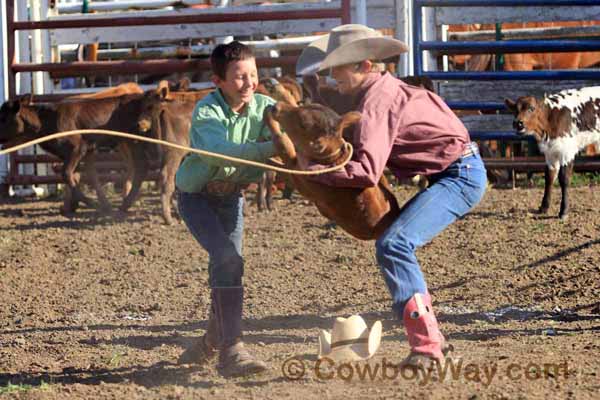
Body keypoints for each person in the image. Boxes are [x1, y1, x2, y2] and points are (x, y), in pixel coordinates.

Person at [295, 24, 488, 367]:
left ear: (364, 66)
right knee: (393, 242)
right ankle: (431, 339)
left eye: (337, 69)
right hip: (459, 169)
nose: (331, 76)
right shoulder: (383, 92)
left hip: (460, 175)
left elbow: (367, 171)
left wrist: (317, 174)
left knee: (394, 244)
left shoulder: (376, 104)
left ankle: (428, 347)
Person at [175, 41, 277, 377]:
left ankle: (210, 343)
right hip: (197, 198)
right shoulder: (207, 110)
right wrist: (269, 147)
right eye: (238, 77)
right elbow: (220, 153)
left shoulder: (266, 107)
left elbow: (288, 133)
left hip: (232, 197)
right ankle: (232, 350)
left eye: (253, 75)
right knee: (228, 259)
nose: (249, 84)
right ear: (218, 81)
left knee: (229, 266)